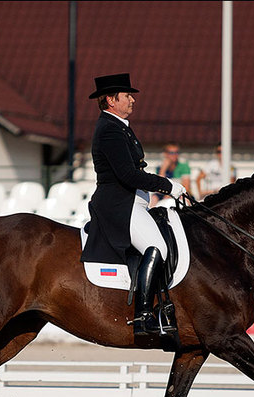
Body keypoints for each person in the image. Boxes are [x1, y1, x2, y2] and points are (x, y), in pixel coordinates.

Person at [80, 73, 187, 337]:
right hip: (119, 204)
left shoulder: (120, 126)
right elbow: (127, 175)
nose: (132, 100)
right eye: (127, 96)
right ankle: (143, 317)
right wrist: (168, 185)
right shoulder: (109, 130)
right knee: (157, 247)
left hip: (132, 202)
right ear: (110, 100)